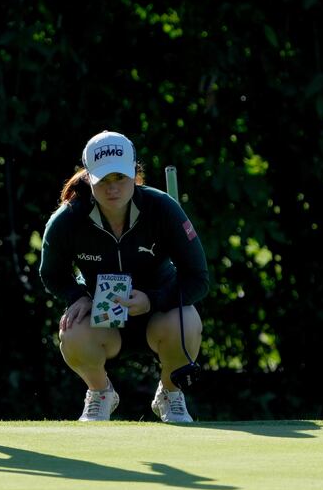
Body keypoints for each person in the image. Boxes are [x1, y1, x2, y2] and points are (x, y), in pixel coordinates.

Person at [39, 131, 208, 422]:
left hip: (160, 314)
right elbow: (51, 274)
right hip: (103, 320)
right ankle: (100, 392)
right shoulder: (67, 220)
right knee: (72, 331)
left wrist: (152, 300)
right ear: (88, 177)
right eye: (103, 179)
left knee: (188, 321)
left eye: (120, 177)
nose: (112, 188)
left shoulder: (163, 208)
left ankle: (170, 393)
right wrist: (77, 296)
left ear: (134, 172)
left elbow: (198, 279)